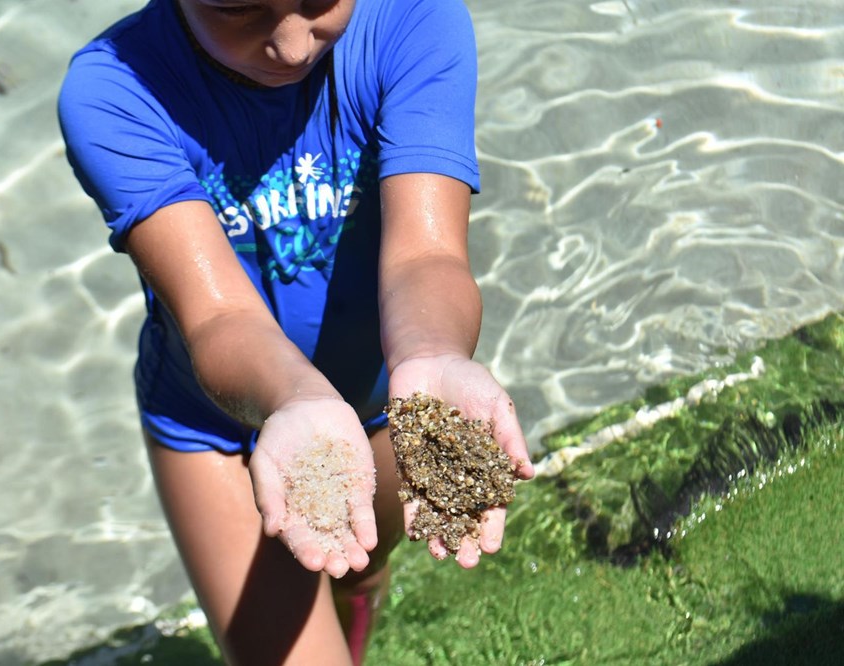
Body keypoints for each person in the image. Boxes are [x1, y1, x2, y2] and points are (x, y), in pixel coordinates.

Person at [58, 0, 535, 663]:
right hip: (215, 435)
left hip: (386, 407)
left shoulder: (414, 19)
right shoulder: (114, 90)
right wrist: (299, 399)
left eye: (317, 0)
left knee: (359, 569)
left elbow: (429, 257)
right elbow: (220, 316)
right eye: (235, 9)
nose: (289, 46)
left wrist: (431, 354)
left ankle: (353, 616)